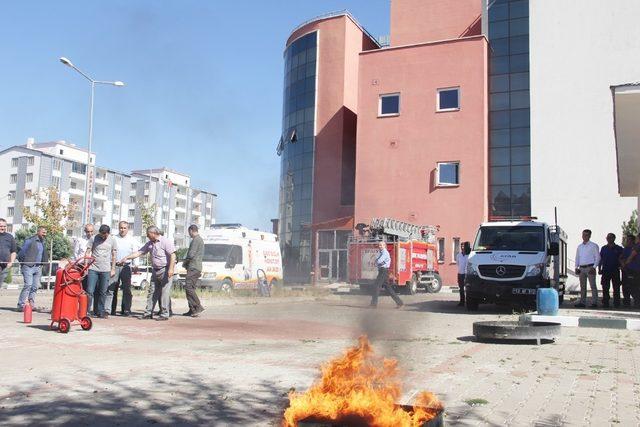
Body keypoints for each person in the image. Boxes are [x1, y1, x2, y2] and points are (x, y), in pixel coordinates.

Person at [119, 225, 176, 321]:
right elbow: (139, 252)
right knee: (152, 292)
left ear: (153, 233)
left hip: (165, 270)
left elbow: (173, 255)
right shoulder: (150, 243)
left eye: (148, 234)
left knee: (164, 293)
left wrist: (171, 269)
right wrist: (127, 258)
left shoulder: (165, 241)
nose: (147, 236)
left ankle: (165, 314)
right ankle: (148, 313)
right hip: (155, 270)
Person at [106, 221, 138, 316]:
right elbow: (109, 251)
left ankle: (126, 309)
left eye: (124, 228)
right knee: (111, 288)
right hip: (114, 266)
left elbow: (135, 252)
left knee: (126, 289)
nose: (122, 229)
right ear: (118, 228)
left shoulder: (132, 239)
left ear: (128, 229)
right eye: (121, 228)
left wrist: (135, 265)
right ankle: (109, 309)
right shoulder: (113, 238)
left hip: (126, 267)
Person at [85, 224, 117, 318]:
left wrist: (113, 269)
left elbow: (114, 254)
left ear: (108, 233)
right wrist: (86, 266)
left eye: (105, 234)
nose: (103, 236)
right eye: (101, 234)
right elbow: (87, 252)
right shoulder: (93, 238)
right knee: (90, 291)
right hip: (93, 268)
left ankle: (100, 311)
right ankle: (86, 310)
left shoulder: (112, 240)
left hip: (106, 269)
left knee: (103, 291)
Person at [17, 226, 47, 312]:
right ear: (38, 232)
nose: (44, 234)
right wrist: (24, 263)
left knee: (35, 287)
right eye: (43, 232)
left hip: (38, 267)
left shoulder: (42, 242)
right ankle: (20, 305)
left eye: (45, 233)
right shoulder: (30, 240)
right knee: (28, 285)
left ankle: (31, 304)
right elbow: (21, 253)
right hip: (28, 266)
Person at [369, 241, 403, 308]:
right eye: (379, 245)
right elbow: (377, 261)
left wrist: (376, 261)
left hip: (383, 271)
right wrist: (376, 261)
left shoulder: (384, 252)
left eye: (381, 245)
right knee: (388, 288)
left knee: (376, 286)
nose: (380, 246)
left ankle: (373, 304)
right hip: (383, 271)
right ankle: (399, 302)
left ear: (384, 246)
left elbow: (379, 261)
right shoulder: (381, 252)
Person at [182, 224, 205, 317]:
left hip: (194, 267)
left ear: (191, 230)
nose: (189, 234)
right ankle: (192, 309)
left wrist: (185, 262)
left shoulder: (196, 240)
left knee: (188, 287)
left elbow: (191, 254)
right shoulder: (198, 240)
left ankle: (197, 306)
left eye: (189, 232)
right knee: (189, 287)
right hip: (195, 267)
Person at [574, 229, 600, 308]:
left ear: (589, 236)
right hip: (581, 268)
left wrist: (594, 267)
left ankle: (594, 302)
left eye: (586, 235)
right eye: (583, 235)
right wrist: (576, 267)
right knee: (583, 286)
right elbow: (577, 257)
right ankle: (582, 302)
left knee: (592, 285)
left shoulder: (593, 245)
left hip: (590, 267)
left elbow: (598, 257)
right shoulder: (580, 246)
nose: (584, 236)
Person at [598, 233, 623, 308]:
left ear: (614, 238)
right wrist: (599, 268)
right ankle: (605, 302)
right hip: (605, 270)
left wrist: (622, 267)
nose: (608, 239)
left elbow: (622, 259)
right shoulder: (604, 248)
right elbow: (600, 259)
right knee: (605, 287)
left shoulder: (619, 248)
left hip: (615, 270)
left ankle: (617, 303)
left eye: (610, 237)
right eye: (607, 237)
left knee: (616, 287)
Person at [621, 232, 640, 308]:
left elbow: (631, 256)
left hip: (634, 269)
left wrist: (625, 264)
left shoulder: (637, 246)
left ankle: (638, 301)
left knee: (633, 286)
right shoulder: (627, 248)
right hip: (632, 269)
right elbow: (621, 257)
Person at [74, 224, 94, 292]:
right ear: (85, 231)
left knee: (90, 286)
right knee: (81, 285)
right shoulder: (80, 240)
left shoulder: (95, 240)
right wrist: (78, 264)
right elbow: (76, 253)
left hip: (91, 265)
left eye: (91, 231)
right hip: (81, 266)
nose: (90, 233)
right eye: (88, 231)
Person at [0, 218, 17, 287]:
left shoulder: (10, 237)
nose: (3, 228)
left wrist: (11, 262)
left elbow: (13, 251)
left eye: (4, 226)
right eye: (1, 226)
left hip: (5, 266)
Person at [456, 241, 470, 307]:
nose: (462, 247)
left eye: (463, 246)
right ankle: (462, 302)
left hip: (466, 274)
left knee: (467, 289)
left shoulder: (469, 255)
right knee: (461, 288)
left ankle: (468, 302)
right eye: (461, 246)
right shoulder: (458, 255)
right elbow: (458, 264)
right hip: (460, 274)